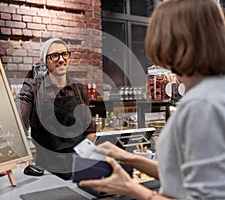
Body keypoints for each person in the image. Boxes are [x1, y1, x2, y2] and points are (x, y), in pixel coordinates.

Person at [79, 0, 225, 199]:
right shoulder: (214, 92)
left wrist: (131, 189)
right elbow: (181, 177)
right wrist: (127, 156)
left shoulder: (201, 105)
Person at [15, 38, 96, 180]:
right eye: (54, 56)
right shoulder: (33, 88)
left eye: (65, 54)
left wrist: (87, 158)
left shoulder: (79, 89)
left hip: (79, 168)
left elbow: (89, 129)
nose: (61, 59)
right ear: (44, 61)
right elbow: (17, 120)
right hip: (48, 173)